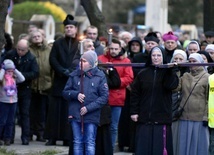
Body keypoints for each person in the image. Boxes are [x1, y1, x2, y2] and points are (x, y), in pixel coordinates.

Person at [130, 46, 179, 155]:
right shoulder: (143, 73)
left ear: (163, 57)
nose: (156, 58)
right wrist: (134, 111)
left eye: (158, 55)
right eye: (153, 55)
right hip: (144, 117)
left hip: (161, 117)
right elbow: (135, 94)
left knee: (160, 149)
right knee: (143, 148)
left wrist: (170, 71)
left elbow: (171, 85)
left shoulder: (168, 72)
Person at [62, 50, 109, 155]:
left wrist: (88, 108)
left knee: (90, 142)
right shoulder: (74, 75)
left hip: (91, 115)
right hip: (75, 113)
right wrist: (75, 95)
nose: (80, 63)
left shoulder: (100, 76)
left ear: (91, 63)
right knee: (77, 141)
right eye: (81, 60)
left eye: (84, 61)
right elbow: (65, 92)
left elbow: (104, 97)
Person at [45, 14, 80, 146]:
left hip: (73, 82)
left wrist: (72, 72)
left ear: (75, 29)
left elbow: (82, 60)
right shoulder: (58, 43)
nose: (69, 30)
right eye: (67, 27)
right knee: (55, 110)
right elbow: (52, 59)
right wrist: (62, 71)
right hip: (59, 81)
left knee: (68, 110)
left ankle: (67, 137)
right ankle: (52, 137)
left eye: (71, 27)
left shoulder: (79, 44)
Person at [98, 38, 134, 150]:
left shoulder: (126, 61)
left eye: (116, 49)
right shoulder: (100, 59)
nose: (113, 51)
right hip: (102, 97)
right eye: (111, 48)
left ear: (120, 49)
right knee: (100, 125)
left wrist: (116, 82)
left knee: (113, 126)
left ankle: (111, 149)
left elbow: (129, 77)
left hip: (117, 97)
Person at [4, 39, 39, 145]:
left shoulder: (31, 58)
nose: (19, 52)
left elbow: (35, 73)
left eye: (22, 50)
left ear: (27, 49)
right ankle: (9, 137)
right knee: (11, 114)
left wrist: (21, 76)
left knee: (24, 113)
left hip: (25, 88)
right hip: (11, 88)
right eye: (18, 49)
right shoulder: (10, 55)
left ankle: (25, 137)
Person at [176, 53, 210, 155]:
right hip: (184, 116)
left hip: (199, 118)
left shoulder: (207, 77)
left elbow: (209, 99)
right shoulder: (185, 76)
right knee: (184, 145)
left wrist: (205, 116)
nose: (191, 63)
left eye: (194, 61)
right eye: (189, 61)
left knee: (199, 146)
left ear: (201, 62)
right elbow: (176, 88)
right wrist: (177, 72)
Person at [118, 36, 143, 152]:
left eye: (137, 45)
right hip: (126, 92)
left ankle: (133, 144)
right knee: (124, 119)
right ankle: (123, 143)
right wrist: (127, 84)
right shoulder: (126, 58)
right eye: (133, 45)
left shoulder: (143, 58)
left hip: (137, 92)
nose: (134, 47)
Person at [28, 30, 52, 142]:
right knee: (30, 111)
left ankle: (41, 133)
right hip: (31, 85)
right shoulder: (28, 50)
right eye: (34, 37)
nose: (37, 38)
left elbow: (52, 68)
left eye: (38, 36)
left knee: (42, 112)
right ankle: (29, 132)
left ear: (42, 37)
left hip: (45, 85)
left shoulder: (49, 50)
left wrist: (51, 82)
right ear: (31, 38)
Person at [0, 59, 25, 146]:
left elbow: (22, 78)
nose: (10, 72)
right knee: (2, 121)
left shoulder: (14, 78)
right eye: (8, 71)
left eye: (11, 71)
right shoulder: (2, 79)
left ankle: (8, 138)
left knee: (10, 122)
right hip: (3, 102)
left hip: (13, 102)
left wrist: (15, 69)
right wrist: (3, 69)